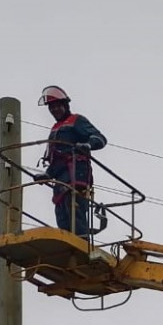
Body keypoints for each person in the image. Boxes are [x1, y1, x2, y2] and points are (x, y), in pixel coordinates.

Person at [36, 85, 106, 236]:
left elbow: (100, 138)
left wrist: (87, 145)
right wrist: (47, 175)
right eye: (51, 108)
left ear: (65, 105)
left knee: (75, 212)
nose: (54, 110)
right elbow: (55, 159)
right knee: (61, 215)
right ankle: (67, 244)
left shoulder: (76, 121)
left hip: (75, 175)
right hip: (60, 180)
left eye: (57, 106)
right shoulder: (55, 129)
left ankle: (81, 243)